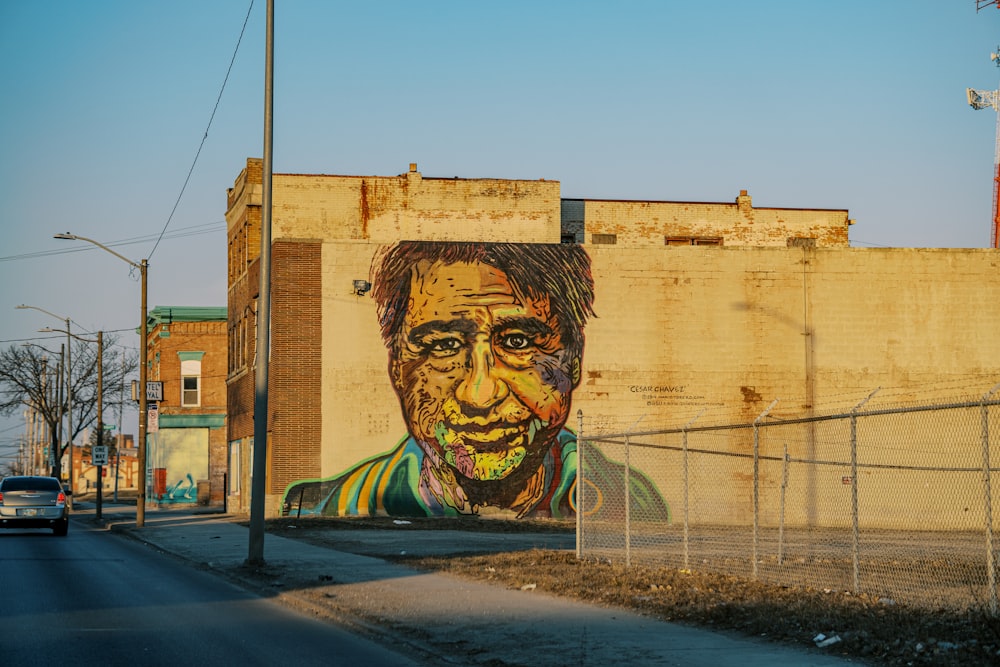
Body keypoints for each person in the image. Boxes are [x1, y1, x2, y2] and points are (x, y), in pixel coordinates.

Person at [283, 241, 668, 520]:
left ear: (574, 361)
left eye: (518, 343)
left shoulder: (634, 503)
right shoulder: (339, 505)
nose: (480, 394)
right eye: (445, 346)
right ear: (397, 369)